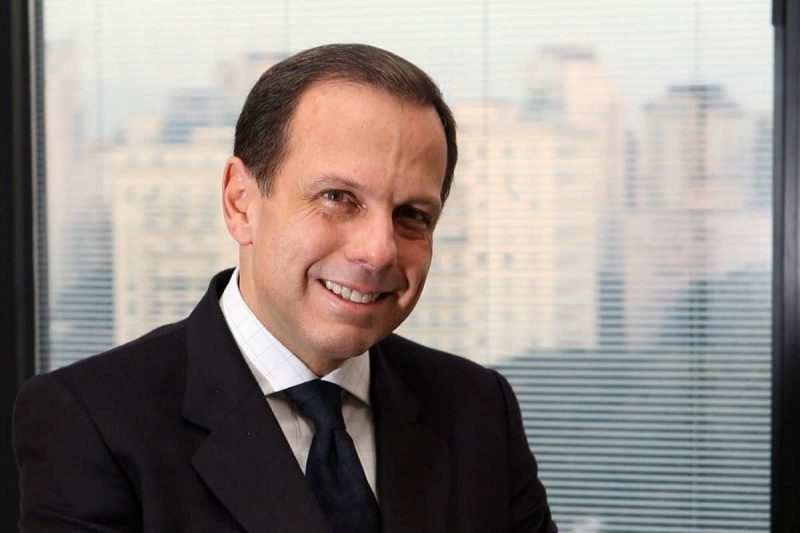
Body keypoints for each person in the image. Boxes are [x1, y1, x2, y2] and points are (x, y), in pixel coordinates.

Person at [14, 43, 557, 532]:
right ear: (240, 203)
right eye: (338, 198)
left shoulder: (477, 410)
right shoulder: (91, 422)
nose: (378, 251)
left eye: (412, 215)